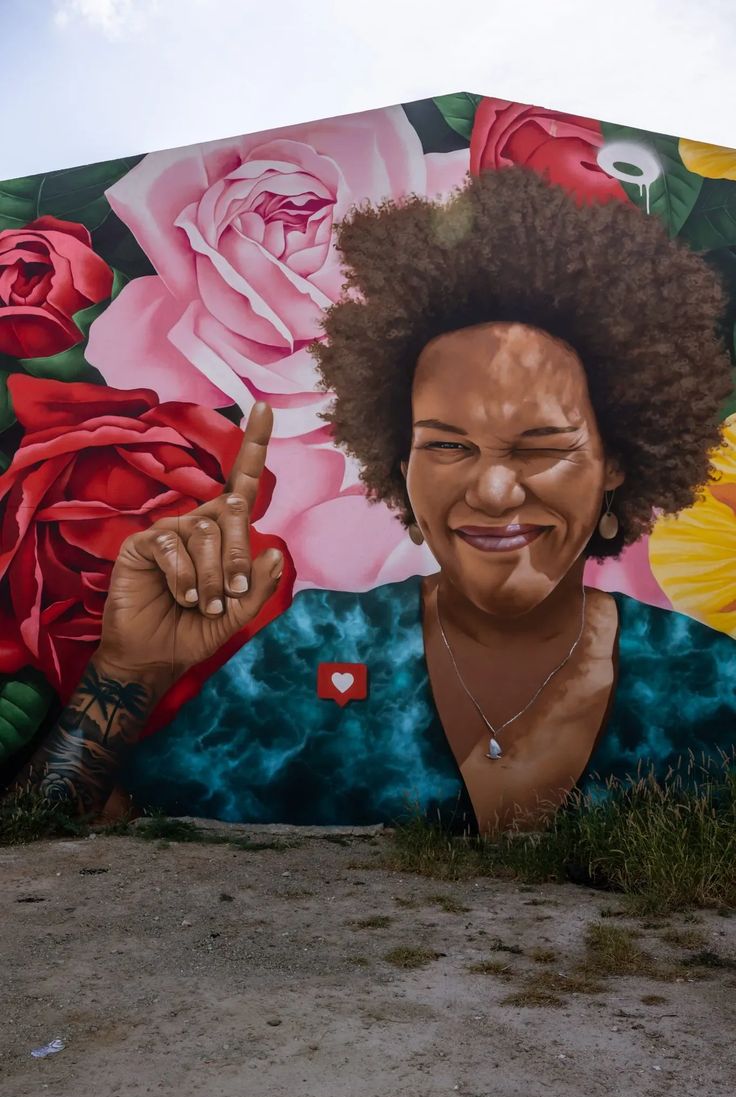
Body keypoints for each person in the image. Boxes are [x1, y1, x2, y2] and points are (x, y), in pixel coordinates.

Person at [20, 168, 736, 833]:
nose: (491, 490)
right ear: (401, 464)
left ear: (614, 462)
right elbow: (70, 843)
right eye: (448, 446)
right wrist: (127, 673)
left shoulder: (710, 685)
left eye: (542, 445)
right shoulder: (313, 649)